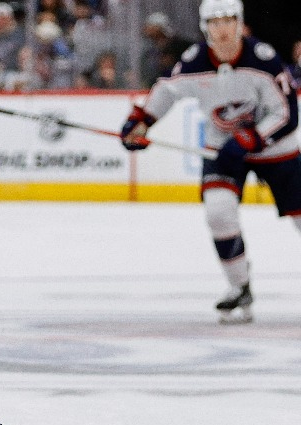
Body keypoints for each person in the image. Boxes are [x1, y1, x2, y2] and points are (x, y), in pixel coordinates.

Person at [119, 0, 301, 324]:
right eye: (215, 22)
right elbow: (166, 90)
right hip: (222, 148)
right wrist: (142, 122)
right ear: (205, 28)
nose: (223, 28)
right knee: (218, 212)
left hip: (276, 150)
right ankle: (239, 286)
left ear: (240, 22)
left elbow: (286, 114)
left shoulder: (263, 59)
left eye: (229, 20)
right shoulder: (194, 61)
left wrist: (251, 139)